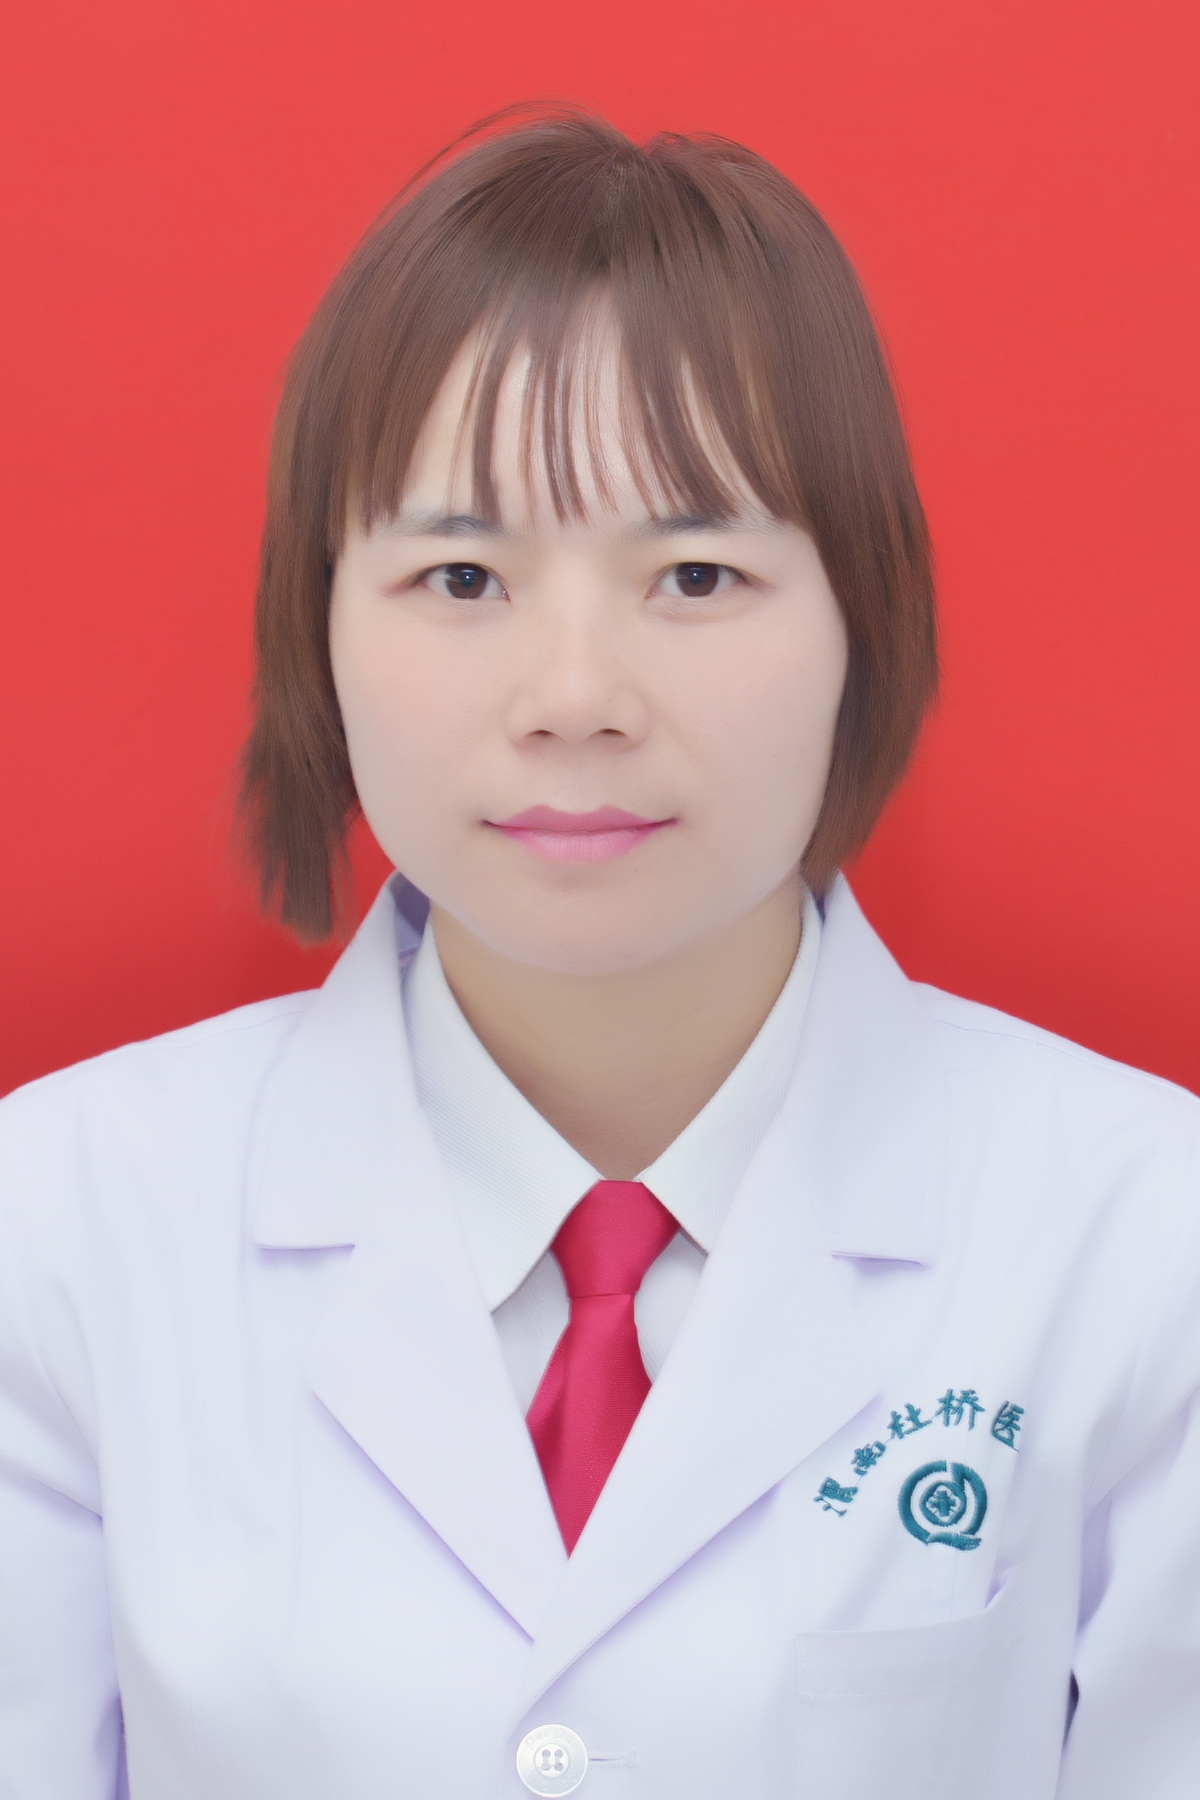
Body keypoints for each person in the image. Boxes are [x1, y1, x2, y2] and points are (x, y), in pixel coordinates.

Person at [0, 111, 1197, 1800]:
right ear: (317, 629)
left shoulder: (1145, 1240)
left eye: (695, 573)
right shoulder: (55, 1229)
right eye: (461, 575)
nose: (574, 696)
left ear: (863, 624)